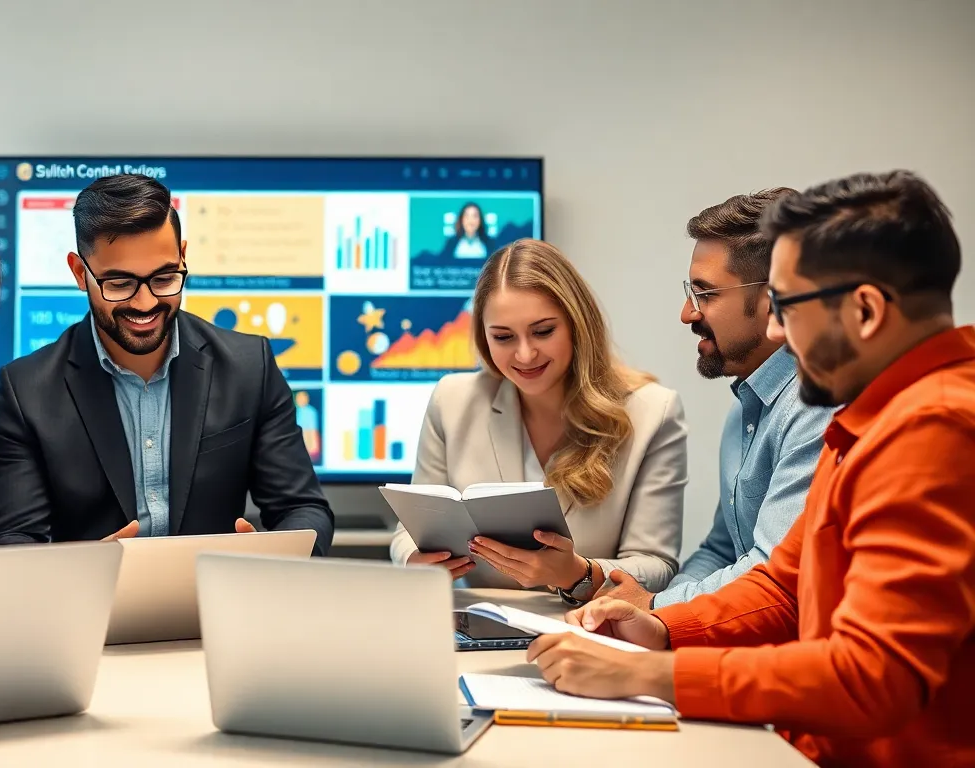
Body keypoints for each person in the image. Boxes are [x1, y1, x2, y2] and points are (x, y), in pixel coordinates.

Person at [528, 171, 975, 768]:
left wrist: (661, 674)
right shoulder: (880, 415)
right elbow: (784, 586)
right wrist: (662, 631)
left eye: (787, 307)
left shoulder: (935, 430)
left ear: (866, 310)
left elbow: (873, 677)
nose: (772, 330)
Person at [0, 174, 333, 554]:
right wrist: (86, 567)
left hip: (218, 601)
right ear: (80, 273)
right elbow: (9, 543)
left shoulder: (250, 366)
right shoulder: (27, 390)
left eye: (165, 278)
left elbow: (304, 509)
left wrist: (271, 556)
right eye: (119, 284)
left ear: (183, 257)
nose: (146, 304)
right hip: (95, 607)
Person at [390, 239, 687, 603]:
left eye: (543, 331)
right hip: (481, 624)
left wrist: (578, 572)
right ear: (484, 338)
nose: (525, 354)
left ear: (578, 325)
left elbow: (656, 565)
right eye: (503, 337)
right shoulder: (452, 400)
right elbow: (411, 530)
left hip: (588, 628)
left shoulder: (652, 411)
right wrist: (414, 560)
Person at [600, 189, 834, 609]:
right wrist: (652, 607)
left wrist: (655, 610)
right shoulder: (747, 405)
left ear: (774, 299)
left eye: (706, 294)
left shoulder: (817, 409)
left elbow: (771, 571)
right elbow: (722, 552)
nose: (687, 313)